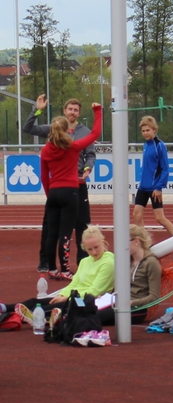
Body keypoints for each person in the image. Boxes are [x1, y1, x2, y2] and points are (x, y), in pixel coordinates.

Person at [24, 95, 98, 275]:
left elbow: (90, 154)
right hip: (65, 186)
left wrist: (87, 168)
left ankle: (81, 262)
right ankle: (47, 263)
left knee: (82, 223)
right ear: (65, 111)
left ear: (79, 113)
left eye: (76, 110)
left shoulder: (83, 131)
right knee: (52, 227)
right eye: (70, 109)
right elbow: (28, 128)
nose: (72, 112)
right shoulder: (54, 128)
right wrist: (37, 110)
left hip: (75, 183)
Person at [39, 102, 103, 281]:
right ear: (67, 131)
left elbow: (44, 177)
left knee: (52, 233)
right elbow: (95, 134)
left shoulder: (46, 150)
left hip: (54, 192)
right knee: (66, 233)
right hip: (70, 192)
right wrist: (98, 112)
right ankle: (65, 269)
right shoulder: (73, 147)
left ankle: (52, 268)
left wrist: (50, 194)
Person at [14, 225, 114, 321]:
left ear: (103, 243)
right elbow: (74, 284)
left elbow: (94, 291)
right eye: (89, 249)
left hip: (88, 300)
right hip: (74, 297)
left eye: (96, 247)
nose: (94, 252)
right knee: (34, 302)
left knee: (43, 309)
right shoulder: (84, 261)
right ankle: (6, 309)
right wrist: (61, 295)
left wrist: (67, 298)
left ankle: (20, 317)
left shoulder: (108, 263)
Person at [133, 116, 173, 259]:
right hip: (143, 187)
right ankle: (146, 245)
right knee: (136, 215)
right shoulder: (145, 145)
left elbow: (165, 168)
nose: (145, 133)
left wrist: (159, 187)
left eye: (148, 130)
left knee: (160, 218)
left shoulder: (159, 145)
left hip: (154, 189)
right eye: (143, 131)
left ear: (154, 130)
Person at [96, 224, 162, 326]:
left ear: (136, 241)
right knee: (86, 309)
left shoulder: (151, 263)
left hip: (136, 309)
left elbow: (154, 297)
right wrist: (106, 297)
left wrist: (131, 303)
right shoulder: (127, 260)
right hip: (118, 303)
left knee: (94, 316)